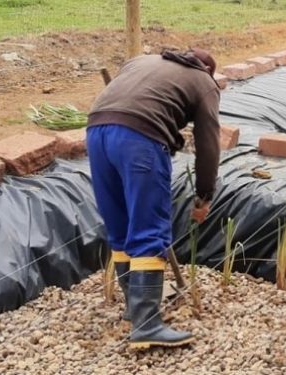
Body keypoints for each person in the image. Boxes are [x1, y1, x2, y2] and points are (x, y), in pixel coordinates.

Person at [86, 49, 221, 348]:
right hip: (139, 140)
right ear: (209, 70)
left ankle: (135, 310)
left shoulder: (141, 60)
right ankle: (147, 324)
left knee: (120, 228)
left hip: (96, 131)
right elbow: (208, 143)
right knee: (149, 227)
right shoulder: (204, 82)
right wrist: (204, 195)